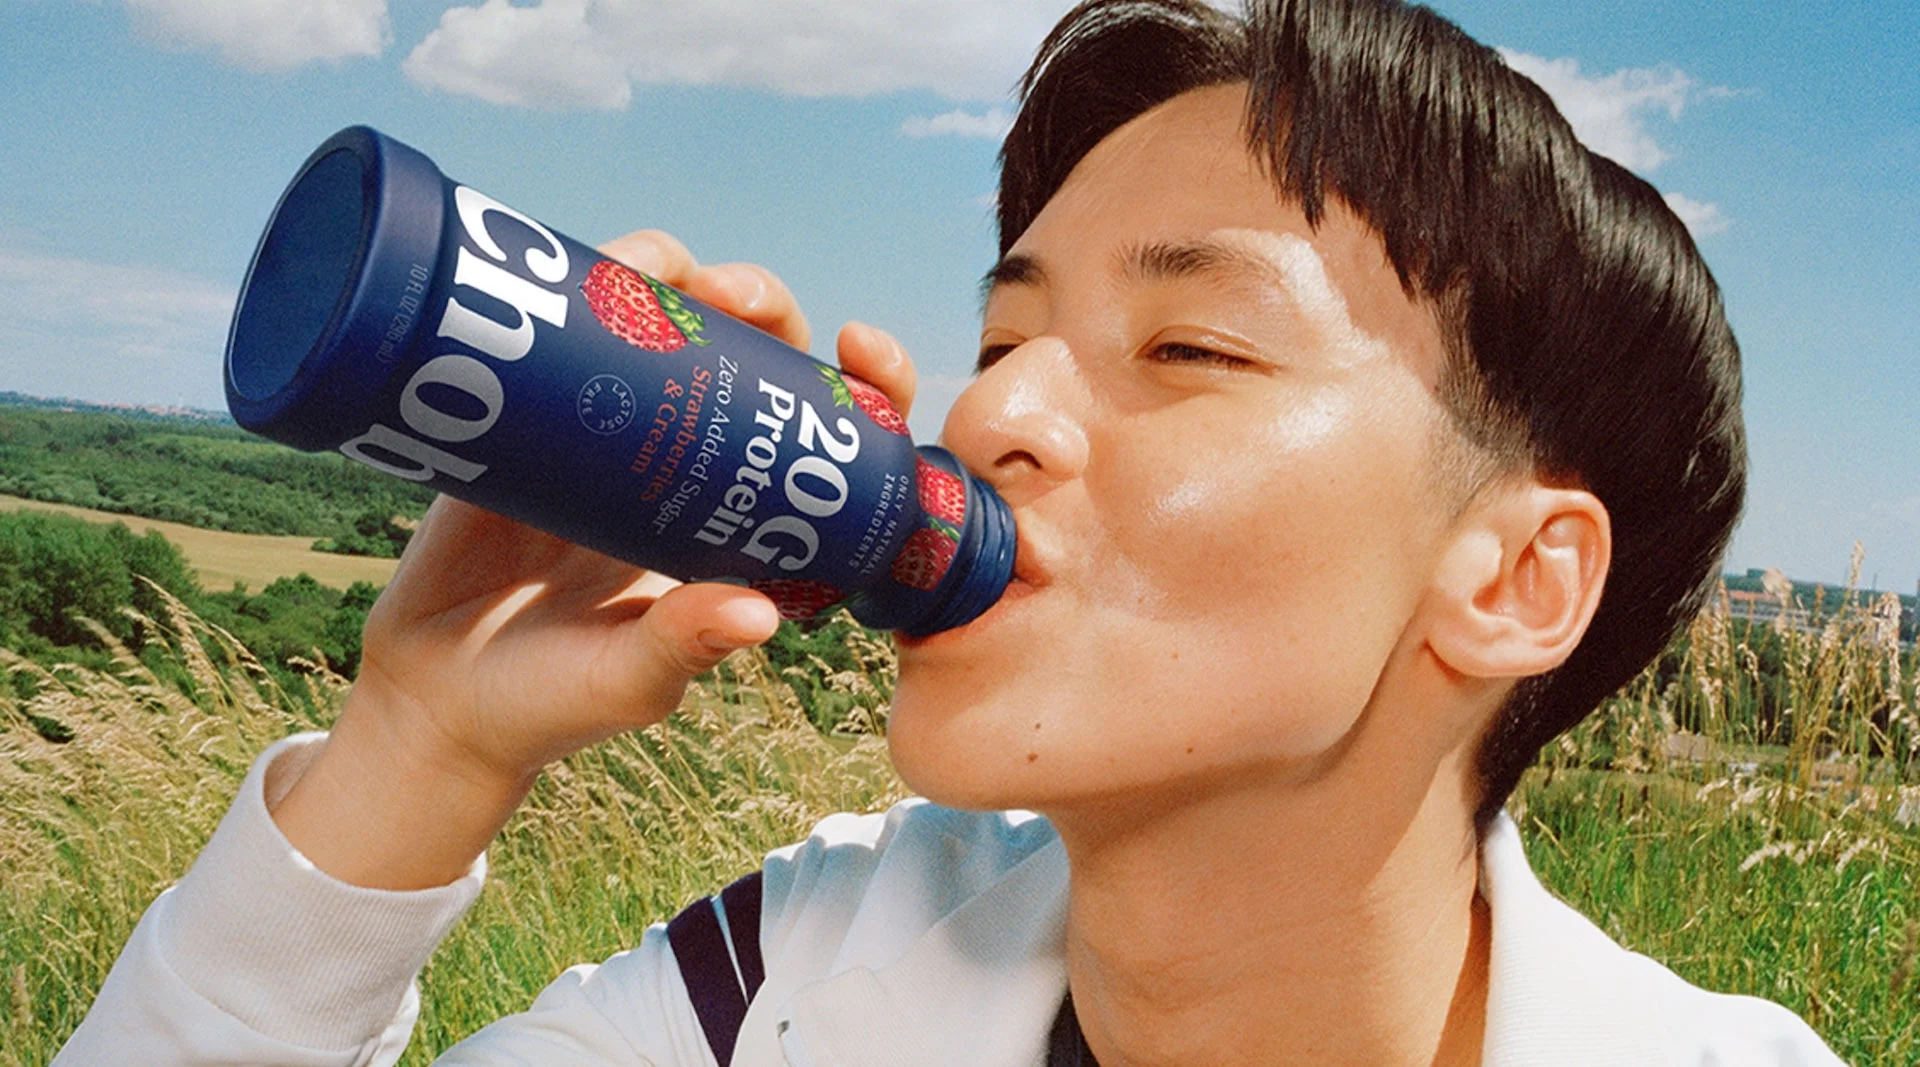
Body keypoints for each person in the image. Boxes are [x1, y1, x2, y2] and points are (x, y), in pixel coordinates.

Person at [59, 0, 1844, 1064]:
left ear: (1519, 581)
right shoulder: (800, 977)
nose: (990, 416)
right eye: (1003, 340)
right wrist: (417, 743)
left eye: (1191, 345)